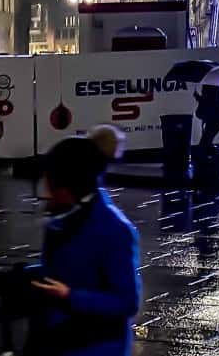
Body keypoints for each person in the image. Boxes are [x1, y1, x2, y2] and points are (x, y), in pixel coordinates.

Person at [21, 126, 140, 356]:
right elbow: (65, 270)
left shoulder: (114, 229)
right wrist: (30, 276)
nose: (46, 189)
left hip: (95, 347)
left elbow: (126, 302)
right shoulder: (64, 216)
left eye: (51, 182)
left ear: (67, 187)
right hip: (59, 339)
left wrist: (69, 296)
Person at [194, 84, 219, 149]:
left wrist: (197, 96)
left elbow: (209, 101)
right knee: (206, 140)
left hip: (213, 117)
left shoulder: (211, 88)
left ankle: (205, 154)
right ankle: (206, 153)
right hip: (215, 117)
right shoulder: (216, 87)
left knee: (205, 141)